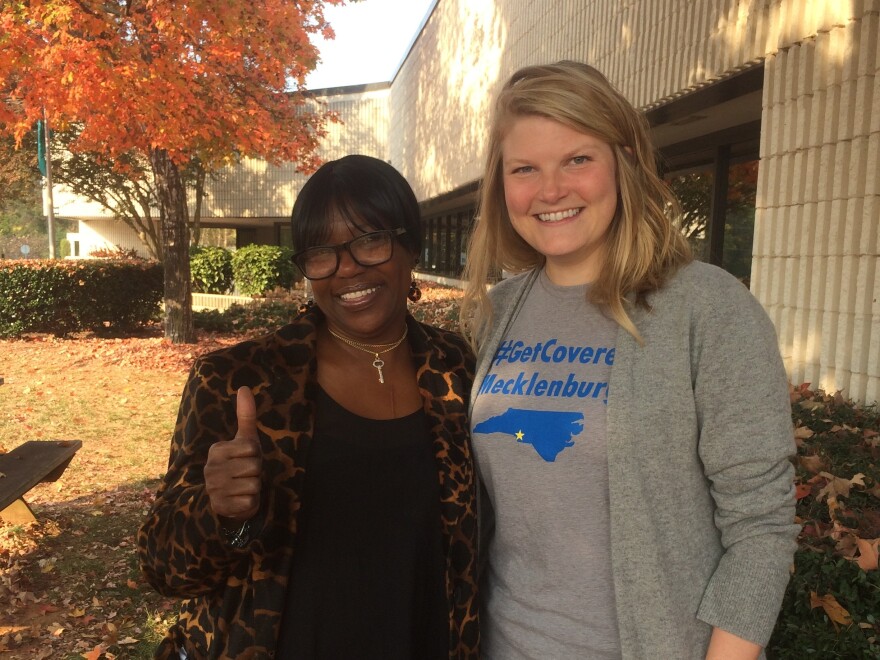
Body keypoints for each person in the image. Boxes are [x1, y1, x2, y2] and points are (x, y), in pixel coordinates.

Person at [460, 61, 798, 660]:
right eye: (525, 168)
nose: (551, 189)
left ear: (625, 162)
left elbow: (761, 531)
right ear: (501, 186)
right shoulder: (497, 313)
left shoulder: (708, 308)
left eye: (577, 159)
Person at [138, 154, 480, 659]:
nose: (346, 269)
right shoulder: (238, 382)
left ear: (410, 247)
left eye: (370, 239)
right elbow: (162, 568)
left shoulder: (460, 371)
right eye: (321, 253)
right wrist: (215, 512)